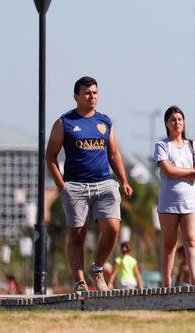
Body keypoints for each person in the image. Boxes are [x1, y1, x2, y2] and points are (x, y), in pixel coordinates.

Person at [46, 76, 133, 292]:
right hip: (75, 186)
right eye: (87, 93)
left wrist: (124, 180)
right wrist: (62, 187)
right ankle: (79, 281)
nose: (91, 96)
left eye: (94, 92)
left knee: (113, 227)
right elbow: (50, 157)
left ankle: (97, 268)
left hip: (105, 183)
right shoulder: (64, 123)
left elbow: (113, 153)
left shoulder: (105, 122)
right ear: (76, 96)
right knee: (77, 235)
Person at [155, 105, 195, 287]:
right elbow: (168, 171)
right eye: (172, 120)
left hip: (190, 203)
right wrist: (192, 171)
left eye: (179, 119)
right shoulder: (162, 146)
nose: (177, 123)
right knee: (169, 245)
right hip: (168, 203)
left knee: (191, 241)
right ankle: (167, 284)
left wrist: (184, 171)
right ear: (167, 124)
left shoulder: (193, 145)